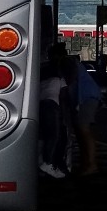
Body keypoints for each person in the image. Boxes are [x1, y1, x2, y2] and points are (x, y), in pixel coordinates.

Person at [62, 54, 103, 176]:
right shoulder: (72, 63)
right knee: (80, 131)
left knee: (83, 129)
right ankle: (86, 162)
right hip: (85, 97)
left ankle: (91, 164)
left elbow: (71, 80)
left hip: (86, 97)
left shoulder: (68, 62)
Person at [38, 45, 68, 178]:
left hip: (39, 103)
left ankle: (43, 163)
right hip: (52, 104)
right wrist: (65, 115)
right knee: (54, 137)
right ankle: (48, 164)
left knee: (42, 136)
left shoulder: (43, 69)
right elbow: (64, 95)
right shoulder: (61, 71)